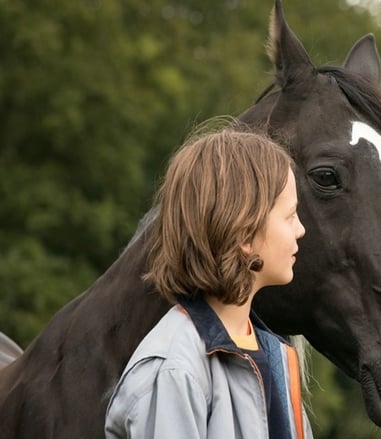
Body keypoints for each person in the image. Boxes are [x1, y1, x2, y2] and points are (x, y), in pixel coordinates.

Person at [104, 120, 311, 439]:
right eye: (290, 216)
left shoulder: (279, 358)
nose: (301, 230)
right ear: (244, 233)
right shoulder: (175, 370)